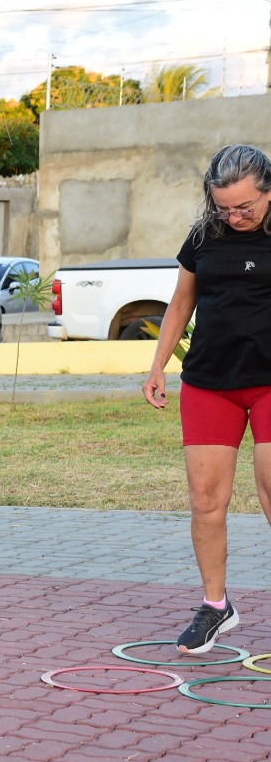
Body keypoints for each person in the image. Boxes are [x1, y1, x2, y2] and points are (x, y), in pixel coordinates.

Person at [142, 143, 271, 654]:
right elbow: (181, 302)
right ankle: (217, 606)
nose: (234, 216)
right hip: (209, 382)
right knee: (205, 502)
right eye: (223, 207)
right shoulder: (203, 235)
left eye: (246, 207)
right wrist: (157, 364)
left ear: (268, 192)